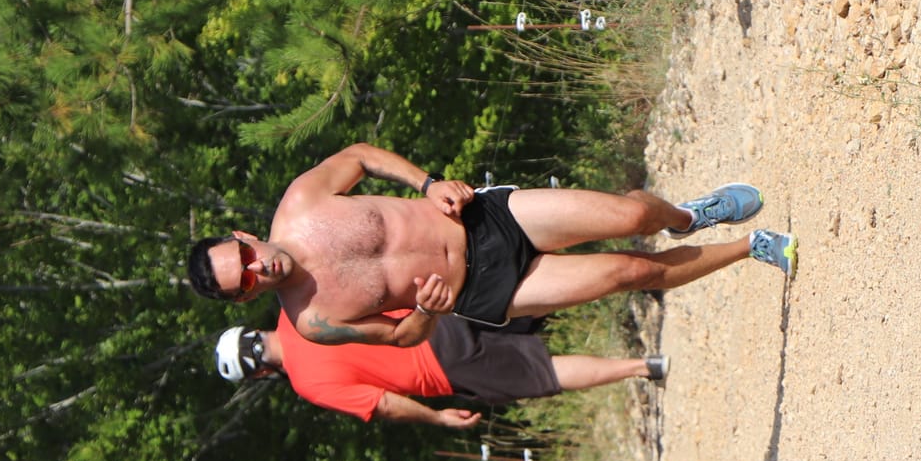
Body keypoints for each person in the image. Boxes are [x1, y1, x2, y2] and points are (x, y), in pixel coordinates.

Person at [185, 142, 795, 345]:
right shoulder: (313, 320)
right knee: (630, 274)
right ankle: (751, 248)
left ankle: (690, 215)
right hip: (486, 290)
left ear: (242, 236)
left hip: (481, 220)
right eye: (247, 278)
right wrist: (425, 312)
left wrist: (425, 184)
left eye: (243, 253)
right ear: (246, 300)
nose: (256, 265)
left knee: (634, 212)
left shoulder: (300, 202)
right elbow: (400, 340)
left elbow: (359, 157)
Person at [213, 314, 668, 427]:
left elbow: (384, 403)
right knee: (531, 300)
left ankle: (641, 367)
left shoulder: (309, 383)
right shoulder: (302, 311)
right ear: (252, 329)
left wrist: (437, 418)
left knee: (544, 372)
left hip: (442, 367)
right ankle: (636, 271)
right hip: (433, 314)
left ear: (256, 374)